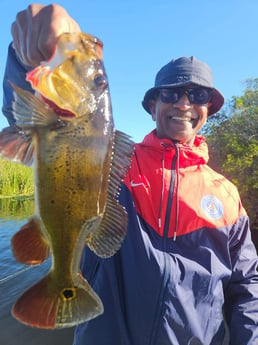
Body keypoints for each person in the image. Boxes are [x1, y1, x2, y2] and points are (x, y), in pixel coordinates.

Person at [2, 4, 258, 345]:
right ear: (152, 106)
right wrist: (27, 57)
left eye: (196, 95)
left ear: (207, 110)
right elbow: (28, 118)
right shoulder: (112, 162)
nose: (183, 103)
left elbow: (247, 286)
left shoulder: (227, 195)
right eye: (170, 93)